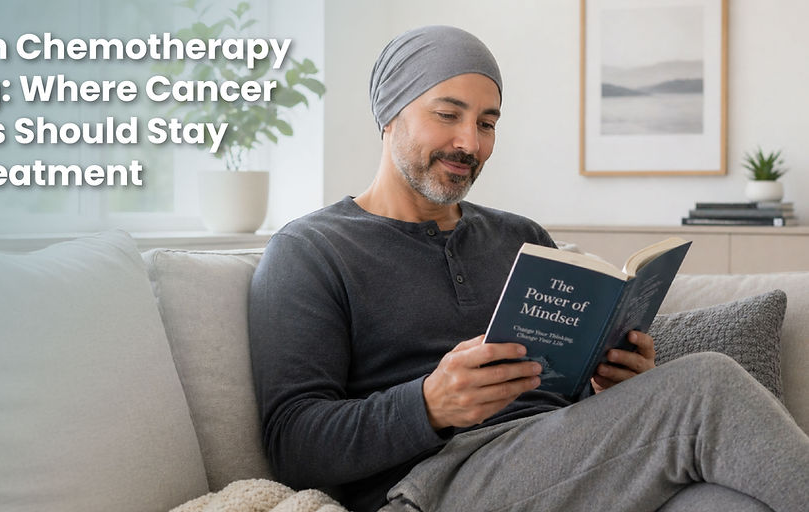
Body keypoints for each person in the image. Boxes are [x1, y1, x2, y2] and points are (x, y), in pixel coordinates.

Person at [248, 25, 809, 512]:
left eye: (487, 123)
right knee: (706, 383)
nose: (470, 143)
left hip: (556, 463)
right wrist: (428, 405)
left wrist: (615, 386)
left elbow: (562, 402)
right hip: (432, 485)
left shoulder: (520, 238)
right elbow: (293, 444)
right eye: (448, 115)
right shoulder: (311, 250)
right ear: (390, 114)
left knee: (728, 502)